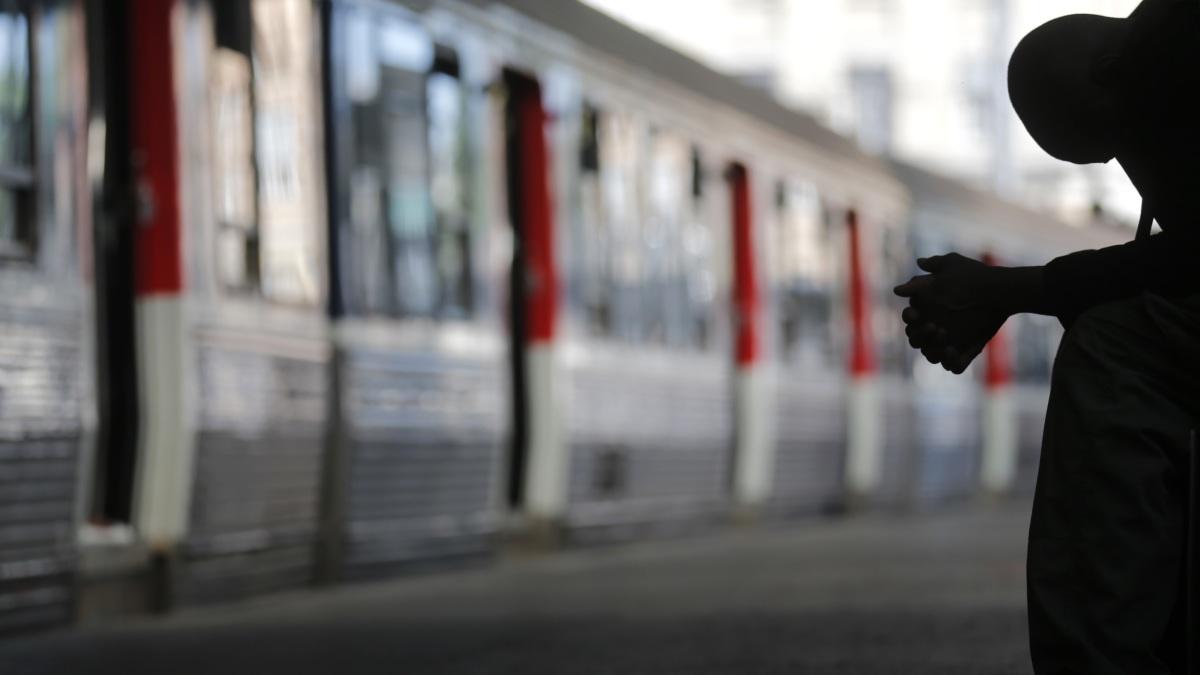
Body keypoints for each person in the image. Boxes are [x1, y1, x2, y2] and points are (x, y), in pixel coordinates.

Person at [893, 0, 1200, 672]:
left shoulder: (1170, 43)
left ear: (1113, 71)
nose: (1133, 165)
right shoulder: (1165, 47)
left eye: (1119, 139)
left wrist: (1012, 291)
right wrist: (1011, 293)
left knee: (1117, 347)